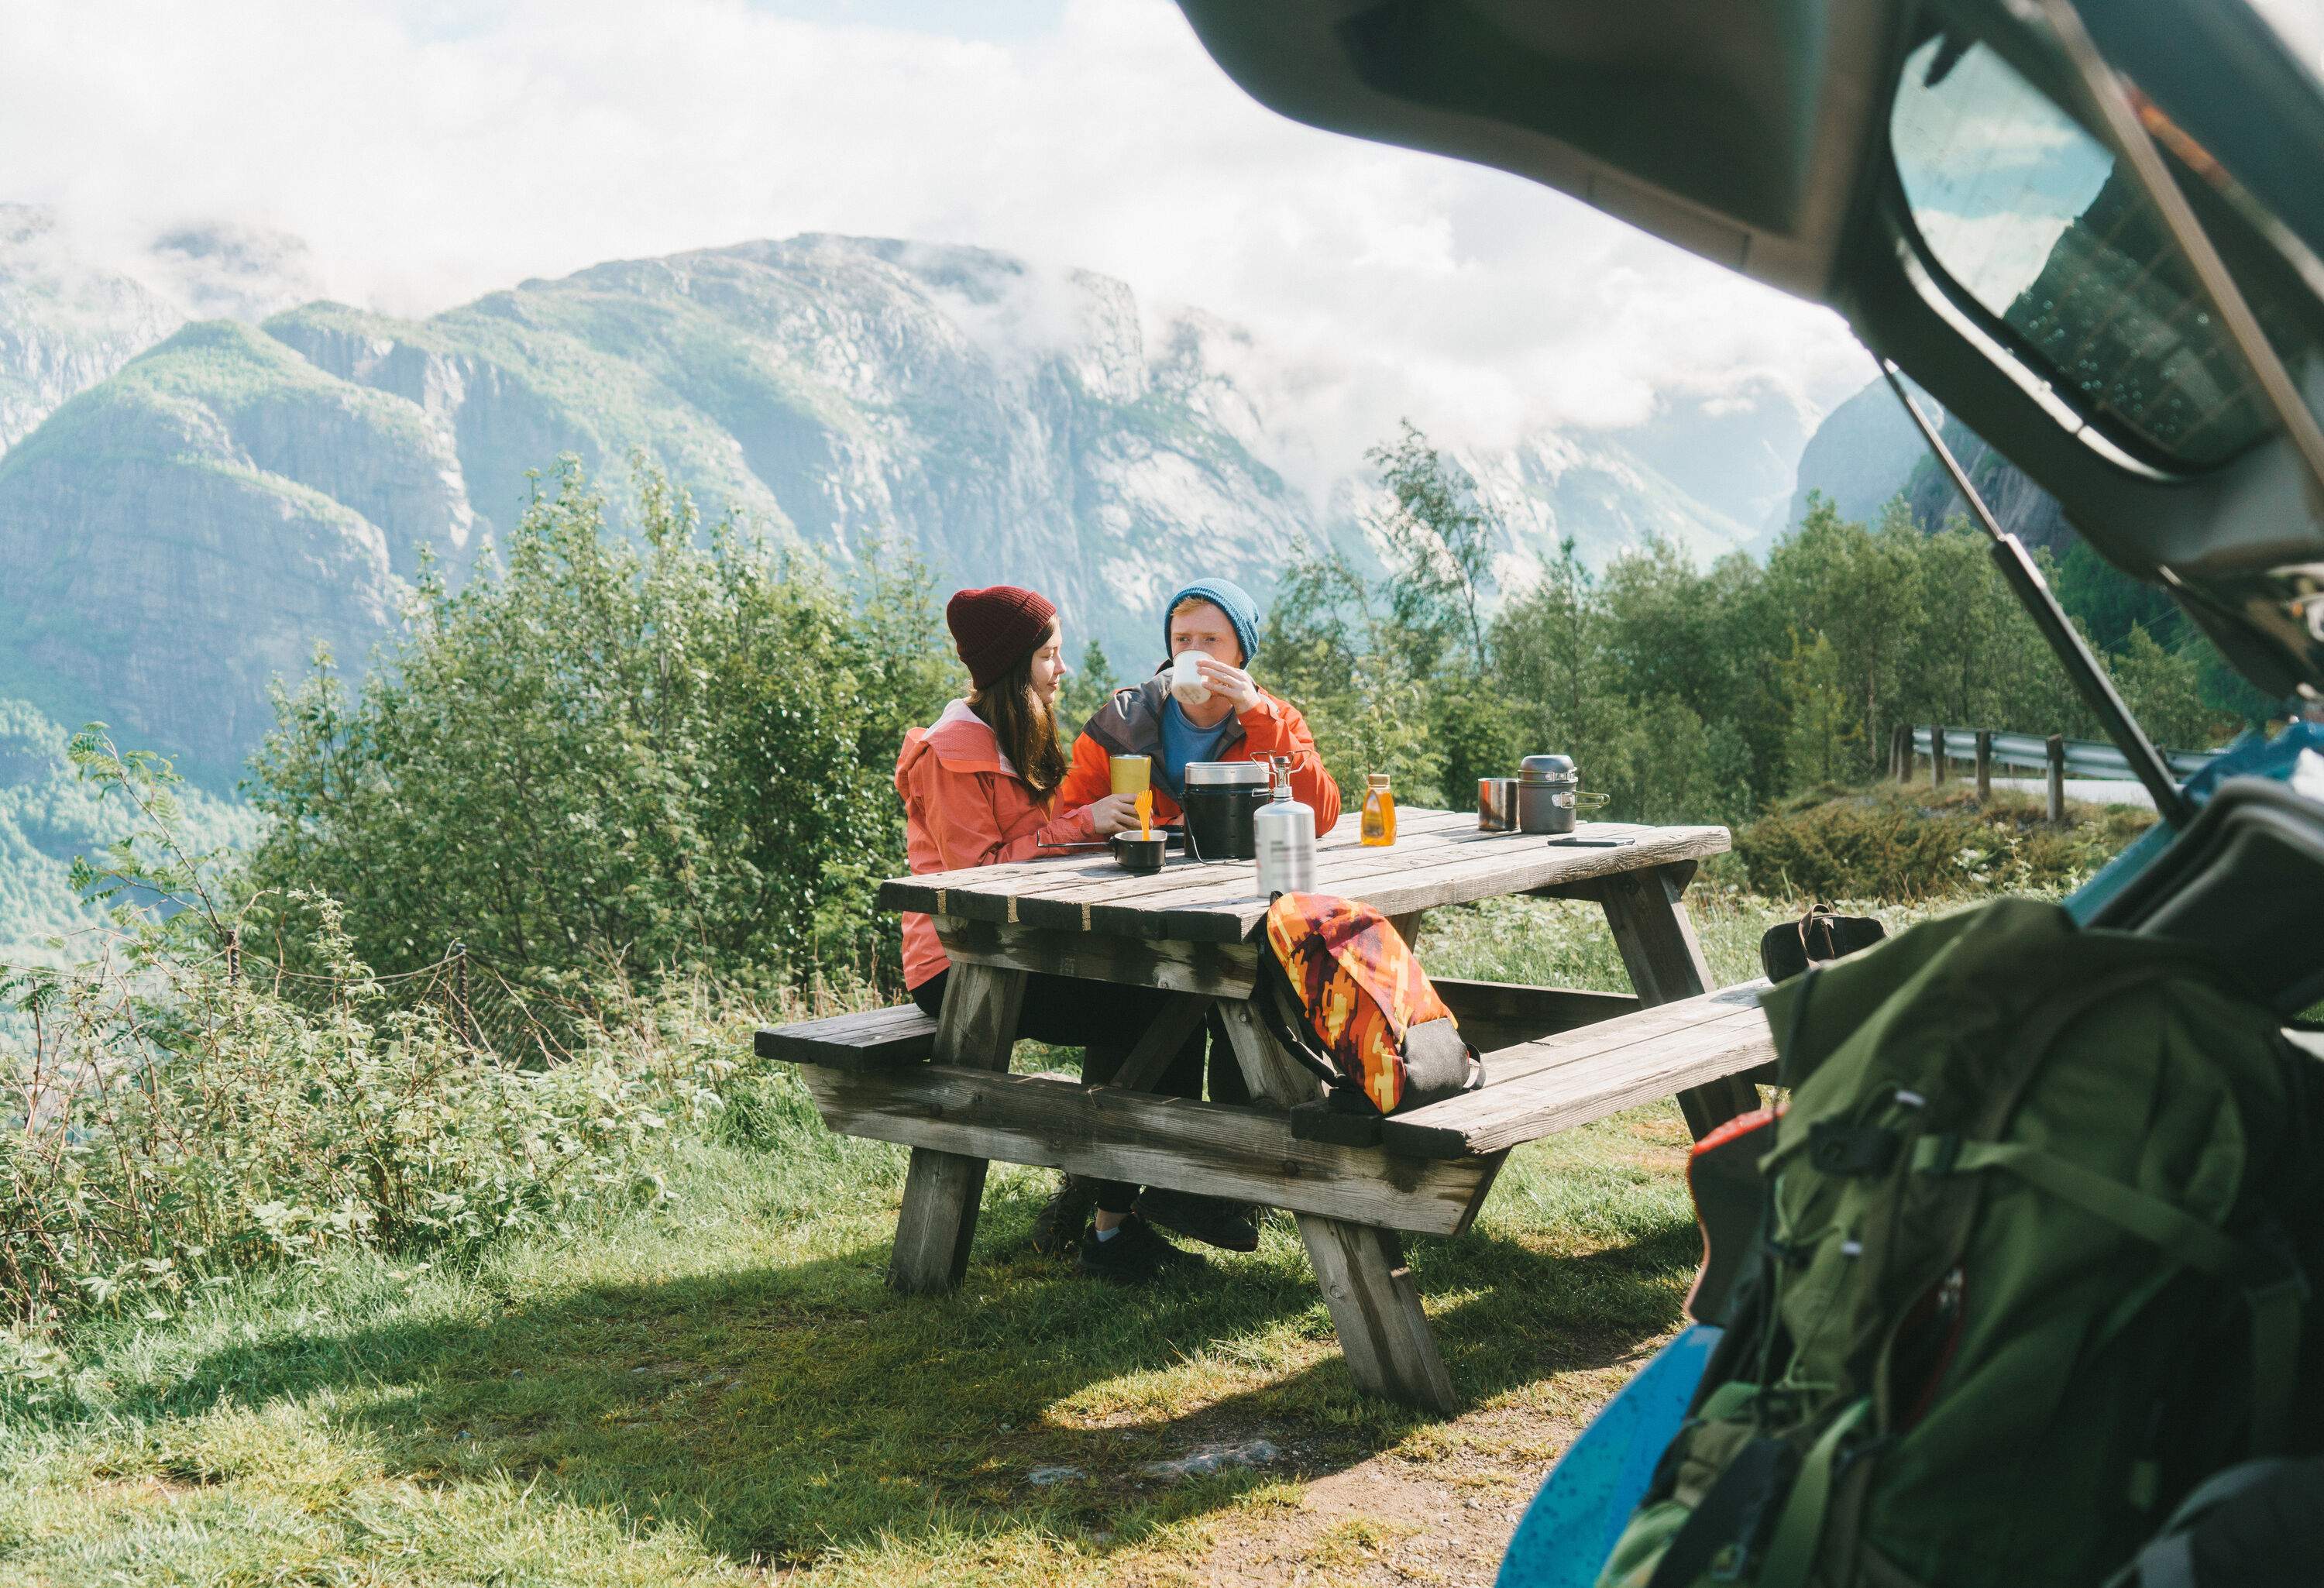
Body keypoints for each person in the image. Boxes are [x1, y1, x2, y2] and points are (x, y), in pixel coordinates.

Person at [895, 583, 1219, 1284]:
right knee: (1163, 1002)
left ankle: (1132, 1210)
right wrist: (1082, 824)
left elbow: (1040, 845)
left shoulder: (1013, 738)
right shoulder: (951, 754)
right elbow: (975, 876)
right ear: (1014, 668)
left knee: (1169, 993)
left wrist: (1124, 828)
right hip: (958, 968)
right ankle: (1129, 1218)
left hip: (1020, 953)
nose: (1061, 671)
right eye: (1049, 657)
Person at [1030, 576, 1342, 1256]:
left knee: (1257, 992)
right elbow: (1062, 818)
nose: (1194, 654)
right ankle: (1134, 1188)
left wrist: (1259, 714)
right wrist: (1094, 821)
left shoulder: (1271, 719)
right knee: (1160, 1002)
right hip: (1139, 910)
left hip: (1237, 905)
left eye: (1211, 642)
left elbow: (1319, 813)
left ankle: (1215, 1187)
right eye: (1182, 641)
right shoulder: (1125, 719)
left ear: (1241, 654)